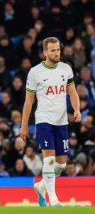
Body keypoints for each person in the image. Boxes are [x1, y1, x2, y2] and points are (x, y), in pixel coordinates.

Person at [20, 37, 81, 207]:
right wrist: (24, 125)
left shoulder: (66, 69)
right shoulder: (35, 72)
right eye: (53, 50)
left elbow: (73, 92)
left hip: (62, 122)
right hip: (44, 121)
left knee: (61, 165)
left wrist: (76, 109)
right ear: (45, 52)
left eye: (58, 49)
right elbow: (28, 101)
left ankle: (41, 186)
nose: (56, 53)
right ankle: (53, 199)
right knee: (50, 160)